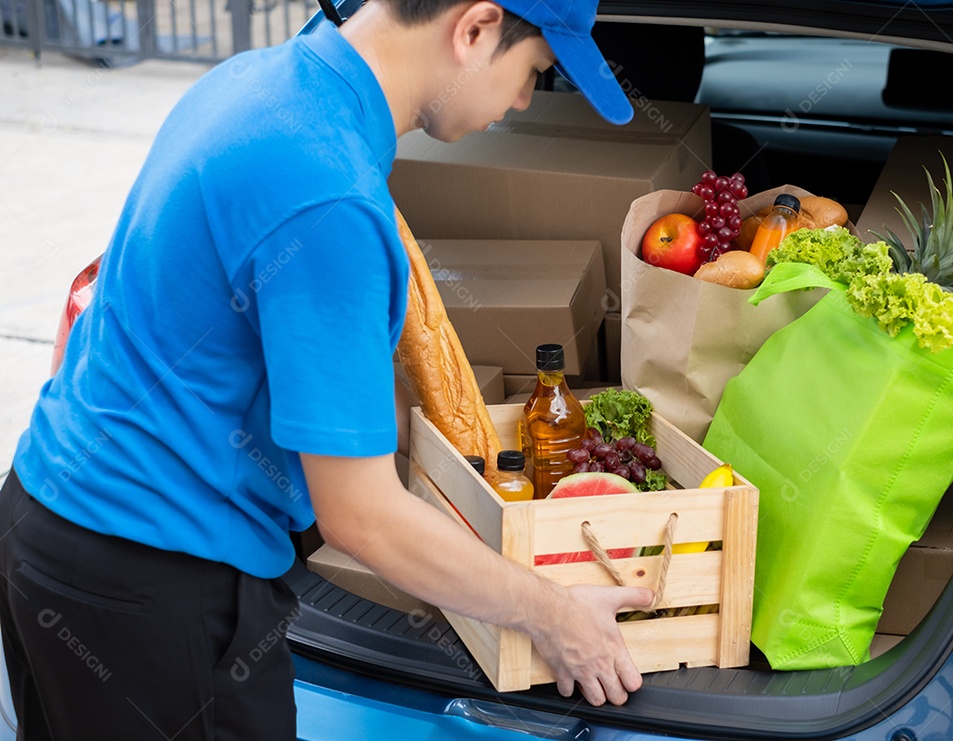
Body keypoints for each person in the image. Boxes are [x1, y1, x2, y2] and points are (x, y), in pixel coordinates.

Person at [0, 1, 653, 738]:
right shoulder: (330, 196)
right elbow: (363, 516)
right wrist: (554, 612)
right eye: (535, 72)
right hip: (151, 586)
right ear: (474, 29)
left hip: (45, 523)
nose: (524, 102)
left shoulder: (259, 81)